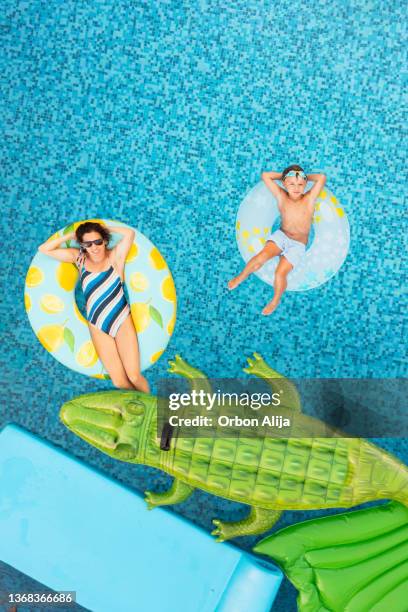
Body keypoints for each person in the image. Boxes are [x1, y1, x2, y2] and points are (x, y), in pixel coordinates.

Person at [39, 221, 150, 392]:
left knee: (134, 376)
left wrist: (104, 228)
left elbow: (129, 234)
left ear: (105, 241)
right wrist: (72, 236)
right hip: (97, 324)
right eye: (88, 244)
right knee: (119, 382)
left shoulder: (115, 258)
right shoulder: (79, 259)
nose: (94, 247)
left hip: (121, 319)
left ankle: (154, 414)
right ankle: (141, 412)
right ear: (83, 245)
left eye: (98, 241)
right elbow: (44, 249)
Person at [228, 165, 326, 315]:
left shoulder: (309, 198)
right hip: (282, 236)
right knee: (261, 257)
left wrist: (302, 176)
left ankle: (275, 300)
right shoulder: (281, 195)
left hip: (298, 245)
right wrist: (285, 175)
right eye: (291, 184)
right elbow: (266, 175)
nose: (296, 187)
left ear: (305, 184)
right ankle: (240, 277)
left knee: (280, 273)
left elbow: (321, 178)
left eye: (300, 184)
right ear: (284, 183)